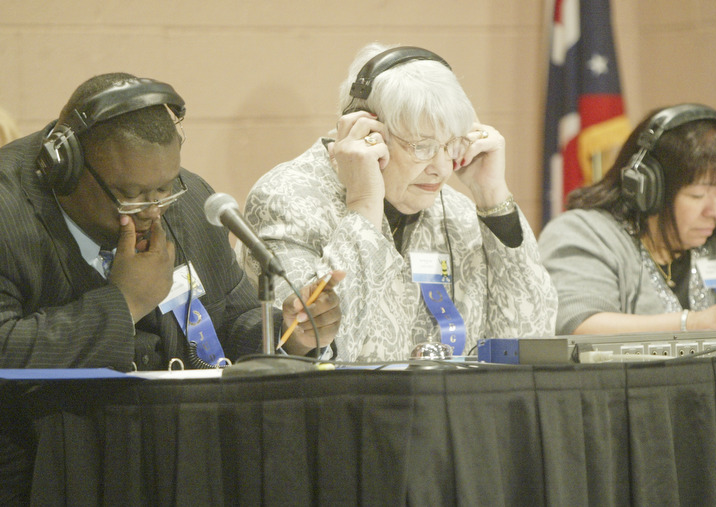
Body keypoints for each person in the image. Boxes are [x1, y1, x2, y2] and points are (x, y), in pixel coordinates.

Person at [0, 73, 342, 503]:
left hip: (178, 469)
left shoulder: (189, 199)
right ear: (66, 167)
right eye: (132, 195)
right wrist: (122, 304)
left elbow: (231, 321)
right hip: (38, 479)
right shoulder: (7, 208)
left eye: (164, 189)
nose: (152, 212)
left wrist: (292, 334)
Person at [239, 43, 558, 362]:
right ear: (366, 132)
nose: (443, 168)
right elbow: (319, 351)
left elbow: (530, 342)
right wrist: (364, 206)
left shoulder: (457, 212)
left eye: (452, 145)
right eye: (422, 147)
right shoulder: (287, 199)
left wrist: (493, 198)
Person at [538, 103, 716, 336]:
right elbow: (580, 326)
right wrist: (693, 324)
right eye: (697, 195)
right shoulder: (584, 233)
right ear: (648, 189)